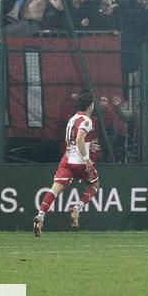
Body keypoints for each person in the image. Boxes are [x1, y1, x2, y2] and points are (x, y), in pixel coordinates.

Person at [33, 91, 101, 236]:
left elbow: (74, 140)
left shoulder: (72, 119)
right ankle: (77, 208)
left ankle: (40, 216)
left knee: (54, 190)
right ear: (91, 106)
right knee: (95, 185)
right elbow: (79, 139)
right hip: (80, 162)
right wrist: (87, 157)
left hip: (67, 160)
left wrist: (88, 144)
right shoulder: (87, 120)